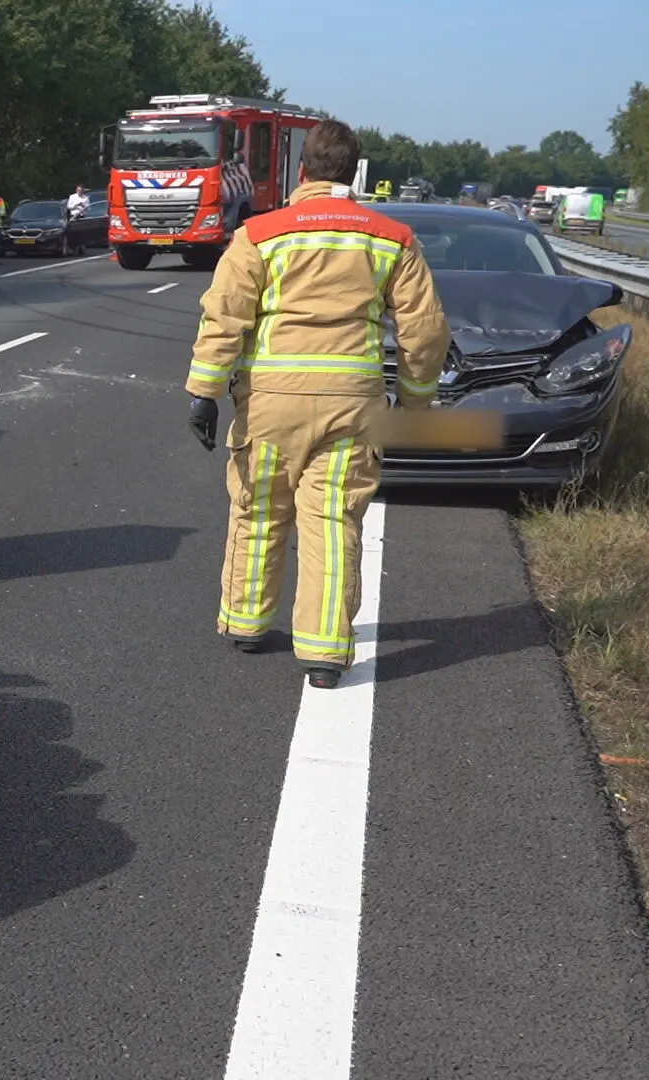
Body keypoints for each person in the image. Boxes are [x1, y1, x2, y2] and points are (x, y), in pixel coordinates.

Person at [181, 119, 449, 690]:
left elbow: (224, 316)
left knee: (258, 509)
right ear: (353, 173)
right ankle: (324, 654)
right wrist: (416, 402)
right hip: (352, 408)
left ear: (302, 170)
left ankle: (247, 624)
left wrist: (204, 392)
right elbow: (424, 331)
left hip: (271, 405)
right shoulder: (392, 237)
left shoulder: (259, 234)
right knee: (331, 520)